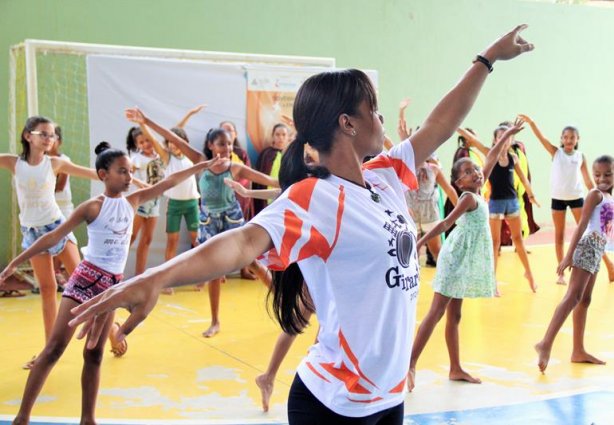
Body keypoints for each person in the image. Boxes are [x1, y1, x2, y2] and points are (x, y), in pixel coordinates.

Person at [69, 26, 533, 424]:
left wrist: (488, 58)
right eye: (374, 109)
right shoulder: (315, 197)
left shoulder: (386, 175)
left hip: (389, 397)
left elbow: (441, 123)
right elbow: (242, 244)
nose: (382, 117)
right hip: (332, 403)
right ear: (347, 123)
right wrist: (157, 275)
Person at [0, 141, 219, 425]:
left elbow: (168, 183)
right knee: (54, 348)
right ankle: (23, 416)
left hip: (113, 287)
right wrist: (17, 261)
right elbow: (53, 237)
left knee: (94, 354)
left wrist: (203, 166)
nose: (129, 177)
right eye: (121, 172)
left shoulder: (134, 201)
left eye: (129, 172)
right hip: (85, 280)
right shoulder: (91, 207)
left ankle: (88, 419)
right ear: (103, 174)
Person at [126, 108, 278, 337]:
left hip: (231, 220)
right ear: (211, 146)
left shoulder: (235, 167)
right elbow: (174, 138)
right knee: (215, 272)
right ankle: (215, 321)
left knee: (254, 264)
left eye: (228, 144)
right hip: (209, 222)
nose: (226, 148)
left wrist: (301, 178)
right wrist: (146, 120)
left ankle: (282, 306)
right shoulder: (200, 162)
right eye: (221, 144)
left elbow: (269, 180)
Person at [408, 120, 524, 392]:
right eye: (469, 172)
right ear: (459, 183)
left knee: (454, 316)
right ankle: (410, 364)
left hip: (461, 260)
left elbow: (493, 156)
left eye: (476, 169)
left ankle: (455, 367)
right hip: (454, 259)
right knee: (436, 313)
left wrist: (507, 134)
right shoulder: (468, 198)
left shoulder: (479, 192)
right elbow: (444, 224)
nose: (476, 173)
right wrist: (420, 242)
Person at [0, 117, 99, 364]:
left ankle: (112, 334)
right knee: (47, 290)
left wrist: (130, 180)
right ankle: (48, 350)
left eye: (52, 135)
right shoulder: (14, 163)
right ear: (27, 136)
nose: (48, 138)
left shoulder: (55, 163)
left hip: (57, 227)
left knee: (86, 285)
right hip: (32, 233)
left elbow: (93, 174)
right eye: (43, 133)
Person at [535, 155, 614, 373]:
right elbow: (581, 226)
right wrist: (569, 255)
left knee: (584, 299)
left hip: (597, 250)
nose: (602, 178)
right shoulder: (595, 194)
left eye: (608, 174)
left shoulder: (608, 196)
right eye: (597, 175)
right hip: (587, 246)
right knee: (573, 296)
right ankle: (545, 343)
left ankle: (578, 350)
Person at [518, 115, 614, 284]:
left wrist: (601, 197)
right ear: (561, 139)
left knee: (591, 233)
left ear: (578, 139)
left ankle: (609, 266)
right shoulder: (556, 152)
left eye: (572, 137)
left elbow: (588, 181)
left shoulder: (580, 156)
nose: (569, 140)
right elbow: (541, 138)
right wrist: (532, 123)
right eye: (566, 137)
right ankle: (561, 274)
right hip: (558, 199)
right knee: (559, 235)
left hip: (577, 198)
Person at [460, 124, 540, 294]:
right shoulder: (490, 153)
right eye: (500, 136)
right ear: (496, 140)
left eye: (508, 136)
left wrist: (532, 195)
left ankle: (529, 274)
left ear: (511, 139)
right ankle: (492, 281)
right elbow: (473, 140)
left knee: (518, 240)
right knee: (495, 243)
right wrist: (456, 127)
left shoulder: (513, 158)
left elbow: (523, 179)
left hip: (511, 202)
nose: (504, 139)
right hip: (495, 203)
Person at [126, 126, 165, 276]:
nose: (145, 144)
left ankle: (139, 276)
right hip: (142, 200)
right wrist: (140, 184)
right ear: (137, 145)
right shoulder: (137, 159)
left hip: (155, 203)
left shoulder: (160, 157)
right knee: (132, 236)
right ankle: (114, 272)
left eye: (148, 140)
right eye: (141, 142)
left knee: (147, 239)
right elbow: (128, 175)